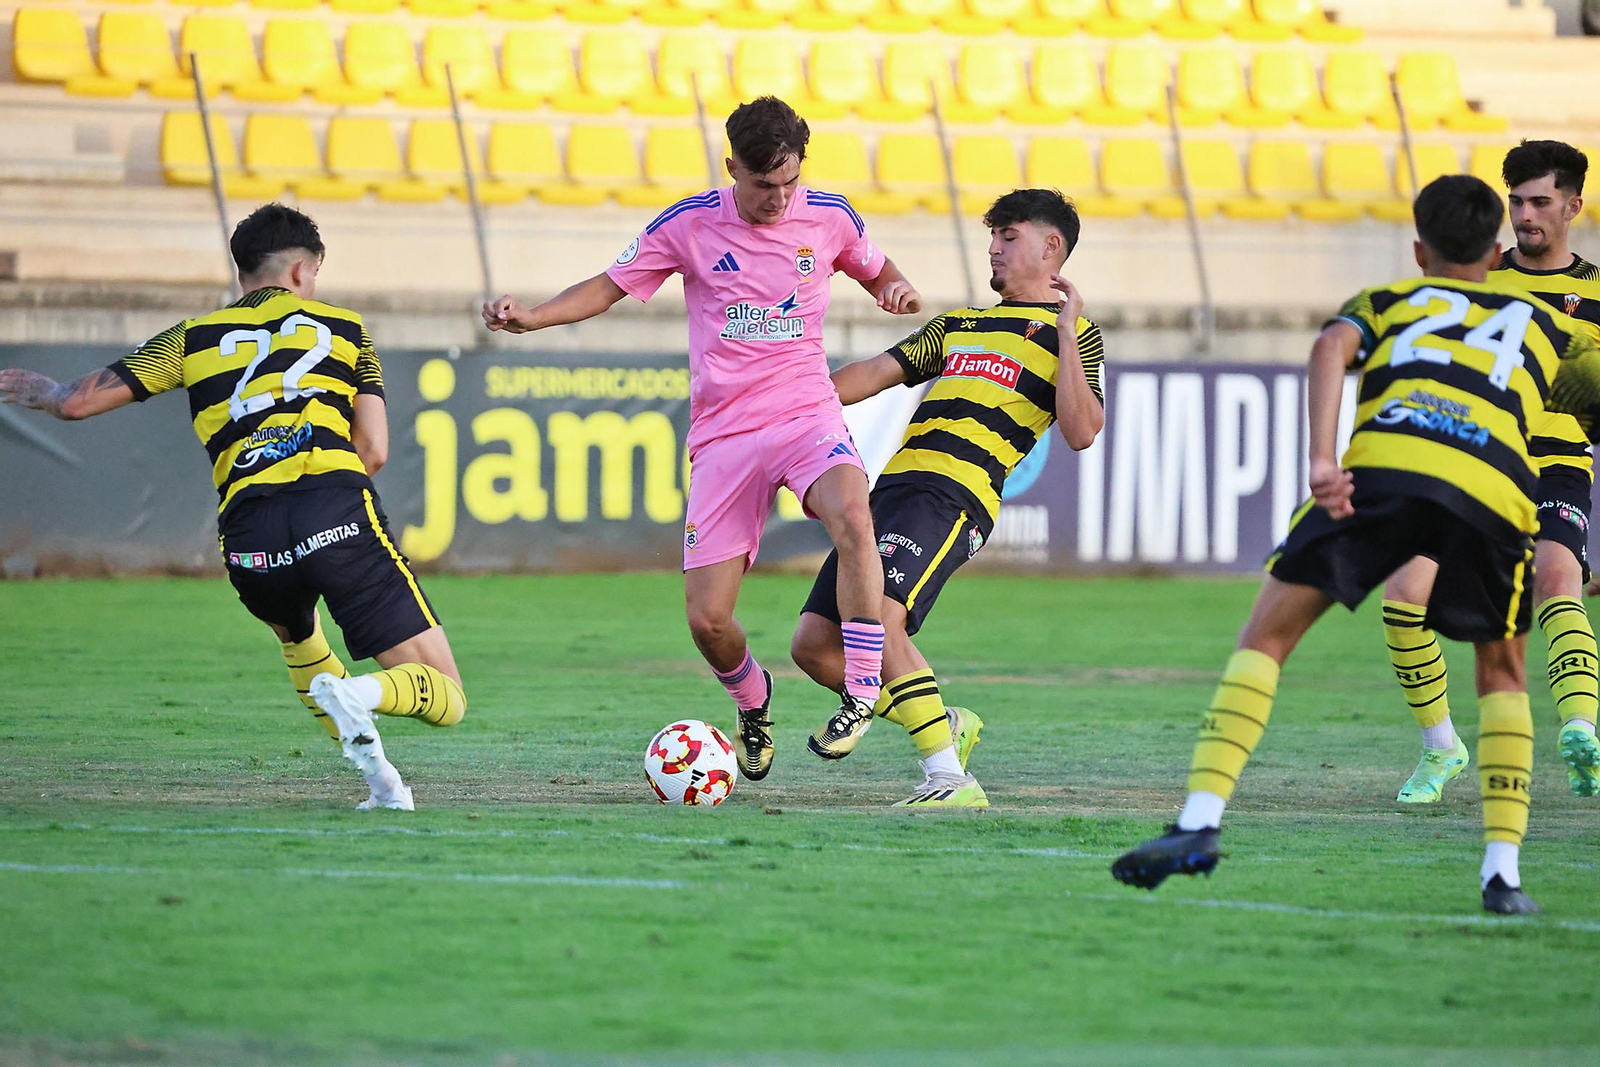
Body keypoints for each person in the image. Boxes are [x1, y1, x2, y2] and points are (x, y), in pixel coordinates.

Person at [1110, 175, 1600, 915]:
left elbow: (1329, 347)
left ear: (1417, 248)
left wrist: (1320, 460)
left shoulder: (1389, 301)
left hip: (1386, 473)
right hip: (1490, 494)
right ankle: (1502, 875)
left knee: (1266, 636)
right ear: (1496, 249)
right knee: (1501, 671)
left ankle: (1199, 823)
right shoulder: (1550, 325)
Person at [482, 96, 923, 781]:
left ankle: (863, 688)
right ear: (731, 169)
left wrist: (895, 290)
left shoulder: (830, 215)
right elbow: (608, 286)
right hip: (725, 434)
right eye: (763, 185)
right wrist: (533, 318)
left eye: (789, 183)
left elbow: (879, 268)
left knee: (854, 515)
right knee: (708, 621)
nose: (779, 199)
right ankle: (754, 702)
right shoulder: (689, 224)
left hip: (808, 412)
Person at [0, 204, 466, 811]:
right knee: (447, 695)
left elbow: (74, 403)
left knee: (298, 637)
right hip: (333, 505)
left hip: (249, 530)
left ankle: (382, 784)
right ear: (301, 270)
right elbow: (373, 450)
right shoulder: (345, 329)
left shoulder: (192, 339)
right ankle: (362, 694)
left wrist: (42, 391)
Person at [790, 189, 1105, 806]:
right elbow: (870, 375)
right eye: (992, 236)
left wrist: (1067, 329)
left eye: (1008, 237)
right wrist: (791, 398)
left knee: (879, 621)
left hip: (954, 495)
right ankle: (942, 722)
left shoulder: (1076, 336)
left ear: (1051, 247)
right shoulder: (959, 325)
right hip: (891, 488)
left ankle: (949, 779)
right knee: (816, 646)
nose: (993, 248)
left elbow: (1081, 429)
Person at [1382, 141, 1600, 803]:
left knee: (1557, 580)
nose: (1525, 215)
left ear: (1573, 205)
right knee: (1402, 595)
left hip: (1556, 467)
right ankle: (1442, 747)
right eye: (1516, 202)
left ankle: (1582, 733)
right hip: (1475, 465)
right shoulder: (1476, 278)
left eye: (1539, 201)